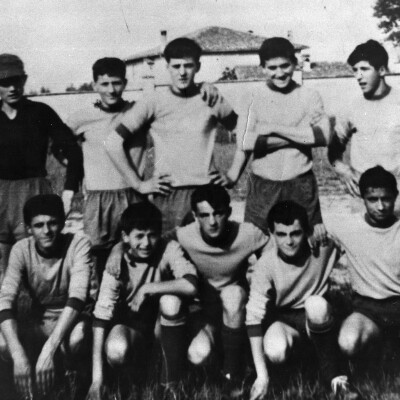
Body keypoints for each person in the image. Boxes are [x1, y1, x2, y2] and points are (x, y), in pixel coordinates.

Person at [105, 38, 238, 234]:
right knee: (168, 255)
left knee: (208, 256)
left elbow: (245, 134)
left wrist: (233, 175)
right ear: (167, 66)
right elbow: (112, 143)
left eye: (188, 65)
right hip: (169, 195)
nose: (182, 72)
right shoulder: (153, 101)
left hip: (207, 193)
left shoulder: (210, 97)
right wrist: (139, 184)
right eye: (176, 66)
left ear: (198, 66)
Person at [246, 201, 360, 400]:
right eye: (281, 234)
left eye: (295, 233)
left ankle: (334, 376)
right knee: (275, 350)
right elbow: (253, 318)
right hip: (284, 321)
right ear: (272, 234)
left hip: (315, 318)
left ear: (306, 231)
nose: (289, 241)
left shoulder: (323, 248)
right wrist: (261, 376)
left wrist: (323, 229)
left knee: (316, 304)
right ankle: (298, 368)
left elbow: (356, 234)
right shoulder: (265, 264)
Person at [87, 202, 198, 400]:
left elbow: (191, 284)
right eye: (139, 236)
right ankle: (130, 382)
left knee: (171, 300)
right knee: (116, 349)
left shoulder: (168, 249)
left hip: (161, 326)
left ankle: (170, 382)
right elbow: (101, 317)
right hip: (131, 325)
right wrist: (97, 380)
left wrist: (149, 289)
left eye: (152, 235)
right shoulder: (117, 263)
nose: (146, 243)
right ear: (125, 237)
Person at [167, 185, 268, 396]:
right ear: (195, 216)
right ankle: (217, 364)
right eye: (204, 215)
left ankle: (233, 376)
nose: (212, 221)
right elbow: (154, 244)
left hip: (235, 308)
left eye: (218, 213)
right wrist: (117, 249)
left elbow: (275, 254)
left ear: (229, 212)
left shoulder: (246, 233)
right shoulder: (184, 235)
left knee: (232, 294)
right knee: (198, 355)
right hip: (204, 313)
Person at [226, 37, 331, 236]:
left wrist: (272, 128)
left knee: (306, 243)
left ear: (295, 63)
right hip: (263, 185)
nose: (280, 73)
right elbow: (245, 142)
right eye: (272, 68)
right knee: (258, 243)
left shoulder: (309, 95)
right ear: (263, 68)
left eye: (285, 66)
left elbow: (322, 137)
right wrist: (301, 134)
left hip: (300, 184)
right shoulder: (252, 97)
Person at [0, 194, 94, 400]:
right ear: (28, 229)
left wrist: (49, 350)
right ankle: (16, 387)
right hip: (40, 318)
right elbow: (5, 300)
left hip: (72, 317)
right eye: (39, 225)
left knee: (78, 336)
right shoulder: (20, 249)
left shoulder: (79, 243)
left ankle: (73, 383)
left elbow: (78, 297)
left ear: (62, 223)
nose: (46, 231)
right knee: (3, 342)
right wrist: (17, 354)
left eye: (52, 223)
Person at [0, 54, 83, 282]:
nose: (12, 88)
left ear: (24, 80)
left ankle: (46, 310)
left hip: (34, 190)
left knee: (39, 260)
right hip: (1, 193)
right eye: (4, 83)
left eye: (16, 81)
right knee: (3, 264)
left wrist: (68, 190)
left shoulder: (40, 112)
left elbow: (72, 149)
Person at [65, 57, 147, 277]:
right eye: (105, 84)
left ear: (125, 83)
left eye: (117, 83)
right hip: (98, 197)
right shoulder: (83, 117)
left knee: (136, 250)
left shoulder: (138, 112)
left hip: (132, 193)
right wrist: (76, 166)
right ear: (94, 86)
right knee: (100, 255)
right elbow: (59, 144)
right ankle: (103, 306)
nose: (111, 90)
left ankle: (133, 304)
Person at [324, 166, 400, 373]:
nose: (381, 206)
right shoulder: (347, 227)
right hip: (368, 310)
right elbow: (317, 231)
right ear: (362, 199)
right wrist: (316, 232)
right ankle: (375, 351)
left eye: (386, 199)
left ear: (396, 196)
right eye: (373, 199)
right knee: (348, 342)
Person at [329, 40, 400, 213]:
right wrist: (344, 172)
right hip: (363, 199)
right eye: (355, 70)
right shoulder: (351, 108)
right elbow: (333, 153)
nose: (358, 76)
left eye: (364, 69)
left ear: (382, 70)